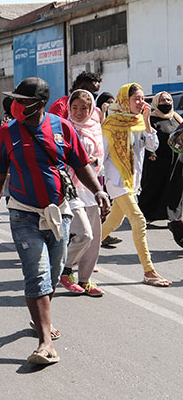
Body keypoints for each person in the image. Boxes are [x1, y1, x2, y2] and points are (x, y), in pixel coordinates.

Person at [0, 77, 110, 366]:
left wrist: (99, 191)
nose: (16, 105)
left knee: (52, 275)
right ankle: (45, 343)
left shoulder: (61, 127)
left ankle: (41, 318)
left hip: (59, 213)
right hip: (23, 213)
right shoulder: (7, 132)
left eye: (23, 101)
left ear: (40, 104)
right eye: (16, 100)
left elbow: (81, 163)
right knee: (37, 274)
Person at [101, 83, 171, 287]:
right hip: (116, 182)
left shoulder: (139, 122)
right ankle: (149, 271)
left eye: (142, 99)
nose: (141, 103)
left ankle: (75, 256)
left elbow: (152, 146)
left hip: (133, 182)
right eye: (136, 99)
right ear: (125, 100)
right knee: (139, 220)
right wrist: (96, 188)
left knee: (113, 222)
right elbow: (101, 155)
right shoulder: (110, 124)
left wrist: (147, 120)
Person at [59, 90, 105, 296]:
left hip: (92, 188)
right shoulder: (64, 128)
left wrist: (94, 161)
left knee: (94, 239)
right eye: (75, 107)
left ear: (91, 108)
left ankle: (85, 280)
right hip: (70, 187)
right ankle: (65, 268)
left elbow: (100, 156)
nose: (79, 112)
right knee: (84, 234)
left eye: (84, 108)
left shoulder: (95, 128)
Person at [138, 91, 183, 247]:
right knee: (154, 186)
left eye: (168, 100)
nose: (166, 103)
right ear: (156, 103)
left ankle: (174, 217)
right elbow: (145, 136)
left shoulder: (176, 118)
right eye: (162, 100)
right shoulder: (150, 118)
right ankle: (146, 214)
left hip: (176, 159)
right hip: (156, 159)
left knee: (175, 188)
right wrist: (151, 153)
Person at [95, 91, 122, 248]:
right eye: (108, 102)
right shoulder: (94, 117)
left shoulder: (116, 117)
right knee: (98, 202)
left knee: (106, 202)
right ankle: (99, 235)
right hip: (97, 166)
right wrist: (103, 113)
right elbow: (100, 133)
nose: (111, 105)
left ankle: (103, 234)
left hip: (109, 167)